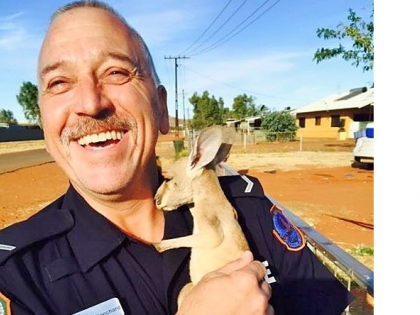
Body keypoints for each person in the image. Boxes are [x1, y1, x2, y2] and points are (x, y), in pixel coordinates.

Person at [0, 1, 354, 314]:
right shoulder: (19, 274)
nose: (90, 103)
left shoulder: (253, 212)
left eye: (117, 72)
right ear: (44, 123)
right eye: (59, 82)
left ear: (161, 109)